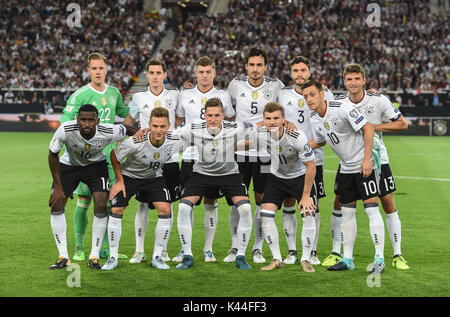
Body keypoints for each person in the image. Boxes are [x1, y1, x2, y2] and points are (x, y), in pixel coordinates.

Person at [326, 63, 409, 270]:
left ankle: (397, 254)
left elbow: (402, 124)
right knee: (339, 202)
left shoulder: (378, 100)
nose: (353, 83)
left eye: (357, 79)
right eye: (349, 79)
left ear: (364, 80)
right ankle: (338, 252)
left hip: (377, 158)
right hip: (349, 161)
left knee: (387, 201)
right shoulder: (339, 103)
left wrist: (372, 127)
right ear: (344, 82)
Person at [302, 80, 386, 273]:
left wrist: (366, 160)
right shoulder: (315, 118)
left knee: (371, 209)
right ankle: (348, 259)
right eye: (305, 96)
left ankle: (379, 259)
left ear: (322, 94)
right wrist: (299, 147)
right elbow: (320, 141)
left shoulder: (342, 107)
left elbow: (369, 129)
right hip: (346, 168)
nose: (309, 99)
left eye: (312, 94)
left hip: (364, 164)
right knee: (347, 213)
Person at [60, 53, 131, 262]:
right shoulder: (80, 95)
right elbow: (66, 120)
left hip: (108, 156)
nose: (98, 72)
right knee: (84, 200)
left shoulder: (114, 93)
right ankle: (80, 247)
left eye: (101, 68)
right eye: (94, 68)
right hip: (85, 156)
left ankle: (105, 248)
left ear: (106, 69)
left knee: (109, 201)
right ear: (88, 70)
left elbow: (124, 112)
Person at [173, 97, 254, 270]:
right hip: (201, 173)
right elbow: (171, 136)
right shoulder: (194, 129)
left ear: (223, 115)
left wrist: (239, 146)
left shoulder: (236, 127)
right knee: (183, 207)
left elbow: (256, 132)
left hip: (229, 174)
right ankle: (187, 255)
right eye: (209, 115)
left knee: (246, 209)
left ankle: (240, 255)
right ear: (205, 115)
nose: (213, 119)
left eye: (217, 115)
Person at [48, 104, 128, 270]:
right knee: (57, 202)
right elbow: (52, 154)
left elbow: (125, 129)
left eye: (91, 120)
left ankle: (94, 256)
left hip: (95, 166)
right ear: (77, 120)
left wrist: (143, 133)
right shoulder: (65, 129)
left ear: (97, 121)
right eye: (83, 120)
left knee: (100, 203)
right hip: (68, 166)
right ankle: (63, 256)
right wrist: (58, 187)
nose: (86, 123)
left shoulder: (108, 131)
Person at [241, 102, 317, 272]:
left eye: (276, 118)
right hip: (277, 177)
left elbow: (311, 166)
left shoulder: (297, 136)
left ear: (284, 119)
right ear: (264, 120)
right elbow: (250, 144)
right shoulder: (261, 133)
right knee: (265, 213)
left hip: (298, 177)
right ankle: (277, 258)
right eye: (268, 118)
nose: (272, 122)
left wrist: (306, 196)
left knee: (308, 213)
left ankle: (305, 259)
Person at [102, 107, 181, 271]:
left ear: (169, 126)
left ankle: (157, 257)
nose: (159, 130)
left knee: (166, 209)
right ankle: (113, 257)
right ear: (149, 125)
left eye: (162, 126)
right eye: (155, 126)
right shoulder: (136, 141)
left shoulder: (176, 139)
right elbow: (114, 155)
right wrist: (119, 180)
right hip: (130, 177)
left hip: (154, 178)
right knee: (117, 209)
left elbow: (195, 137)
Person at [174, 56, 235, 263]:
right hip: (191, 156)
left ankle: (208, 249)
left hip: (215, 157)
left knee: (211, 202)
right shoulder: (185, 94)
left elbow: (231, 121)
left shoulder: (223, 96)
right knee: (186, 203)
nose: (205, 75)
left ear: (214, 73)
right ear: (195, 72)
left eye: (208, 71)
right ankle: (185, 248)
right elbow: (179, 120)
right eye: (201, 72)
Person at [226, 47, 285, 264]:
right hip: (239, 152)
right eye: (251, 65)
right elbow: (227, 110)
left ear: (265, 67)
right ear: (246, 66)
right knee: (236, 201)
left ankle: (257, 248)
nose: (255, 69)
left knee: (261, 199)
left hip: (264, 152)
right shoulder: (235, 84)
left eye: (259, 65)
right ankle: (235, 246)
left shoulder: (275, 85)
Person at [277, 56, 334, 265]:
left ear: (309, 72)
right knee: (289, 203)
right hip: (289, 160)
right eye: (295, 71)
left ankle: (312, 251)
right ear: (291, 74)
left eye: (303, 70)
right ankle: (292, 251)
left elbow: (333, 116)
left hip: (314, 158)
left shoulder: (323, 93)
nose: (299, 74)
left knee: (313, 206)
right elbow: (273, 117)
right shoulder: (282, 95)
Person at [122, 58, 180, 264]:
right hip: (144, 160)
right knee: (143, 205)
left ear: (165, 75)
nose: (155, 76)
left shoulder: (175, 95)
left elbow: (180, 120)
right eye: (151, 73)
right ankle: (139, 250)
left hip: (169, 158)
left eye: (159, 73)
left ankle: (162, 250)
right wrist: (137, 133)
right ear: (146, 75)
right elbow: (128, 122)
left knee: (168, 206)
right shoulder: (138, 97)